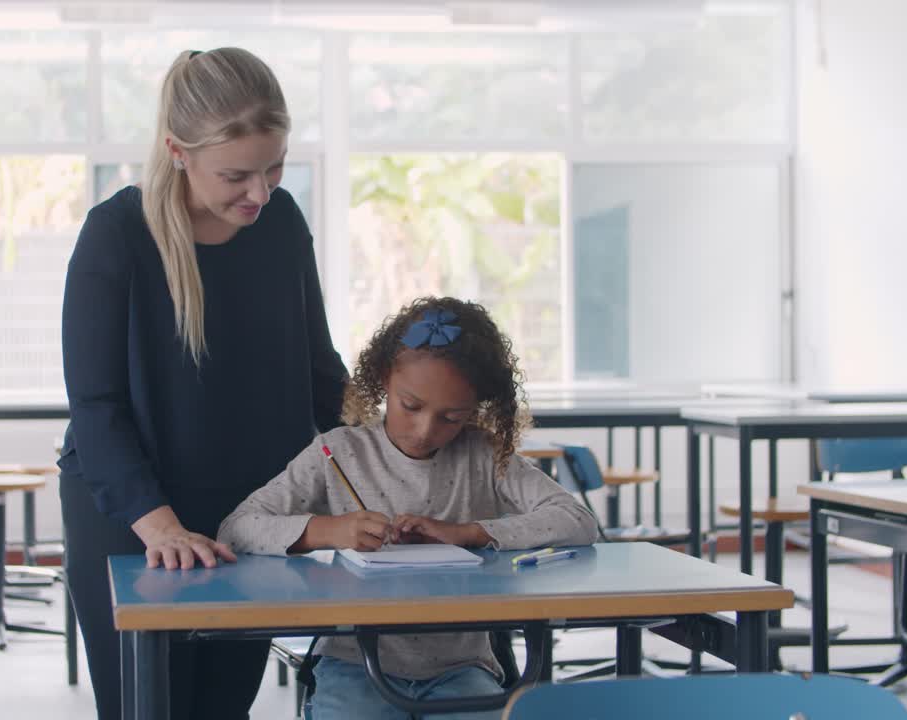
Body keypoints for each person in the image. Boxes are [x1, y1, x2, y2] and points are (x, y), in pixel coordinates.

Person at [58, 47, 347, 719]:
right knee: (148, 709)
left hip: (246, 514)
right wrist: (160, 526)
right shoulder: (116, 235)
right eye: (236, 175)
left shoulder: (279, 223)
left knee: (221, 710)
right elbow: (96, 407)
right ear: (177, 150)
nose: (261, 192)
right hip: (132, 515)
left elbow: (320, 374)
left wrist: (389, 466)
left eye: (274, 167)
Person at [218, 296, 598, 720]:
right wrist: (328, 531)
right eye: (411, 406)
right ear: (384, 378)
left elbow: (579, 520)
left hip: (461, 669)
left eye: (452, 417)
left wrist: (469, 532)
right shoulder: (337, 451)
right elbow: (237, 529)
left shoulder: (483, 455)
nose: (424, 431)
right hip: (353, 665)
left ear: (476, 408)